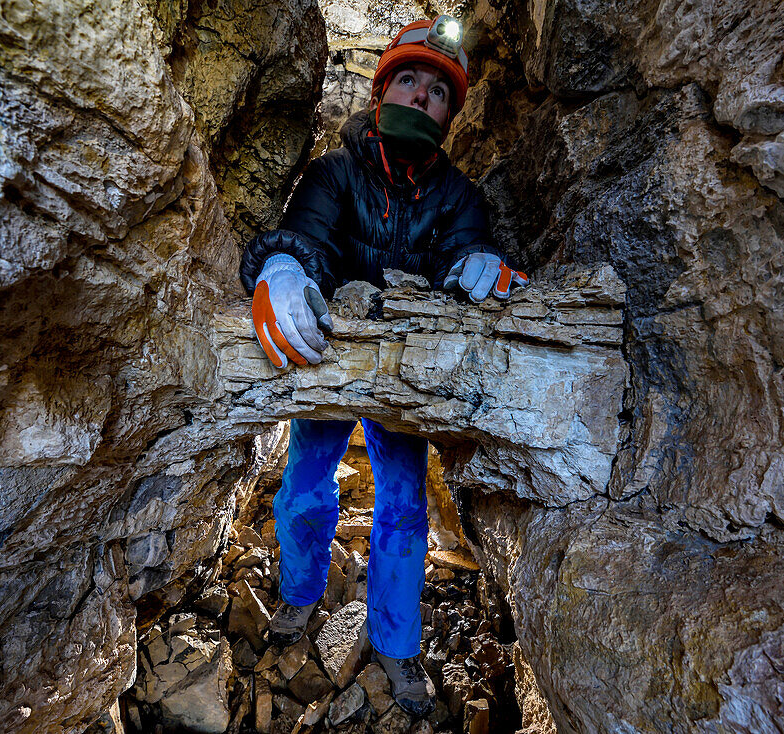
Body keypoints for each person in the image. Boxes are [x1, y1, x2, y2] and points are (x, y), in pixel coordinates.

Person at [238, 16, 527, 716]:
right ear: (381, 90)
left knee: (402, 508)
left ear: (450, 115)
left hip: (406, 375)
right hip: (331, 362)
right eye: (410, 79)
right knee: (305, 488)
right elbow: (305, 235)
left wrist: (477, 265)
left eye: (439, 92)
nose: (423, 96)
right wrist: (280, 267)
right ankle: (301, 593)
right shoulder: (333, 173)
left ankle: (395, 644)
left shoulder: (458, 195)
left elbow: (464, 252)